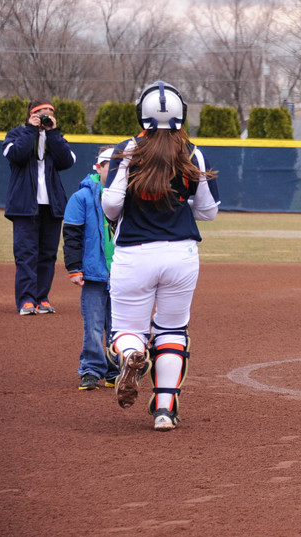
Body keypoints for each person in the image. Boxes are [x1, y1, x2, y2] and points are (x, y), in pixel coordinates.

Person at [102, 81, 220, 432]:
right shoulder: (193, 153)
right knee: (172, 329)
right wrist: (176, 206)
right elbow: (209, 211)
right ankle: (165, 410)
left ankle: (131, 356)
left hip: (134, 252)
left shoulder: (127, 149)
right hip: (181, 253)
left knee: (127, 330)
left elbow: (110, 205)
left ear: (142, 114)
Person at [3, 100, 76, 315]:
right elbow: (16, 155)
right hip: (24, 205)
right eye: (42, 113)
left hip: (52, 206)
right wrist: (30, 129)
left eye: (50, 113)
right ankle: (26, 299)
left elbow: (67, 161)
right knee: (26, 253)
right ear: (30, 114)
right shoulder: (16, 134)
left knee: (48, 253)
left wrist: (52, 133)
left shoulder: (55, 137)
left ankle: (42, 297)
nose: (46, 117)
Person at [63, 147, 120, 390]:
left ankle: (115, 370)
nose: (116, 172)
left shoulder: (128, 196)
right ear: (99, 167)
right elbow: (72, 235)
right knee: (94, 326)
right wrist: (74, 268)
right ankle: (91, 370)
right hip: (94, 274)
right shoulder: (81, 198)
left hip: (122, 273)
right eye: (111, 167)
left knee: (118, 327)